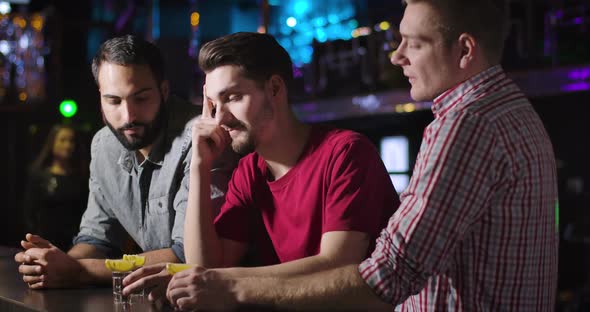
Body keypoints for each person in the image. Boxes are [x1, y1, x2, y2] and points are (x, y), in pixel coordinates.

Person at [157, 1, 559, 311]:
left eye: (412, 43)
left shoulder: (467, 125)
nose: (396, 56)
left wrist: (230, 286)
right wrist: (200, 166)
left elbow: (387, 277)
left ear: (465, 49)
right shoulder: (505, 110)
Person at [122, 32, 399, 306]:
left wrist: (226, 283)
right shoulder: (249, 171)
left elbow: (337, 266)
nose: (220, 118)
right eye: (212, 105)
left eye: (232, 97)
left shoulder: (346, 152)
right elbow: (206, 266)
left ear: (275, 89)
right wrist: (199, 166)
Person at [14, 34, 238, 289]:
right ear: (100, 98)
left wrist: (77, 270)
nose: (128, 116)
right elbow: (98, 238)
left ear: (164, 91)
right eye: (114, 100)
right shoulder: (104, 144)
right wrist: (53, 264)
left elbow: (187, 257)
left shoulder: (202, 139)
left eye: (140, 98)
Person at [23, 124, 88, 251]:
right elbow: (29, 211)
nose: (68, 145)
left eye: (71, 141)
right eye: (63, 140)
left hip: (74, 244)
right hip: (45, 243)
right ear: (52, 143)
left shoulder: (81, 177)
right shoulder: (39, 175)